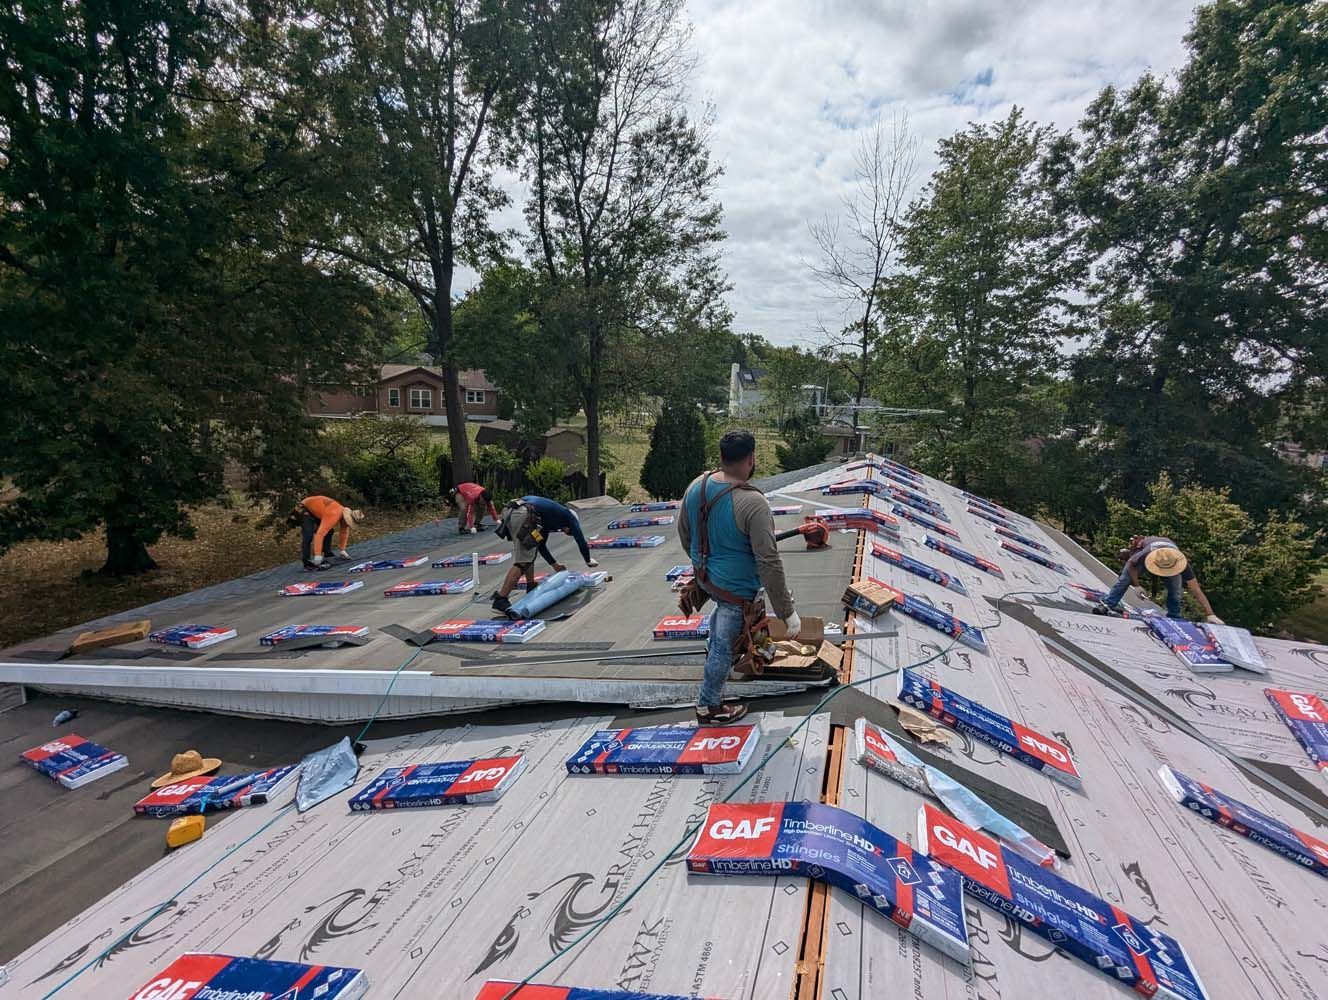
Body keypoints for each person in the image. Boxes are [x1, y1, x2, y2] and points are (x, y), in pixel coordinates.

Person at [678, 429, 798, 726]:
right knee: (722, 645)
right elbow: (768, 561)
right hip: (734, 591)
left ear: (721, 457)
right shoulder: (753, 503)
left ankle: (723, 652)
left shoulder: (697, 485)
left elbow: (685, 533)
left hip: (708, 579)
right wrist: (787, 612)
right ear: (751, 459)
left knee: (722, 626)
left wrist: (702, 567)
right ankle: (709, 706)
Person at [492, 494, 598, 613]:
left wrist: (554, 565)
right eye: (568, 531)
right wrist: (588, 560)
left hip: (511, 509)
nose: (566, 532)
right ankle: (501, 598)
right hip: (523, 513)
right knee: (523, 561)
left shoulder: (549, 519)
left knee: (530, 549)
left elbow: (541, 545)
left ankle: (531, 585)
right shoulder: (569, 516)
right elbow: (581, 540)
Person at [1095, 535, 1223, 622]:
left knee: (1175, 591)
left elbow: (1196, 590)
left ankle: (1174, 616)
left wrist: (1210, 614)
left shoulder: (1182, 564)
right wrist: (1137, 585)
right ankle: (1109, 603)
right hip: (1150, 557)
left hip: (1167, 558)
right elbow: (1130, 564)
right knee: (1124, 580)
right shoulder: (1145, 554)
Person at [295, 495, 364, 571]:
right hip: (304, 508)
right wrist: (318, 556)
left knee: (329, 531)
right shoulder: (334, 515)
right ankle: (307, 563)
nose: (348, 524)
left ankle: (327, 554)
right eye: (349, 522)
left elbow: (344, 532)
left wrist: (342, 550)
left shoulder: (342, 515)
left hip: (318, 511)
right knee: (308, 535)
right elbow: (319, 535)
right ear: (346, 518)